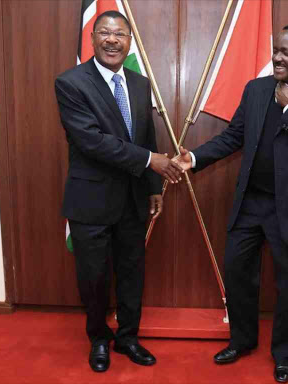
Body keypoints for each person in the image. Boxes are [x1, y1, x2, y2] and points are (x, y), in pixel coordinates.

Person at [174, 24, 288, 383]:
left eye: (287, 52)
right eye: (276, 50)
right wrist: (196, 158)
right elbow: (234, 136)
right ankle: (242, 341)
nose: (277, 58)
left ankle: (285, 355)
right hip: (251, 203)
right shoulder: (256, 89)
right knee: (237, 274)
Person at [55, 10, 183, 373]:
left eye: (120, 34)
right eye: (105, 33)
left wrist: (153, 185)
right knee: (93, 277)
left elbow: (145, 135)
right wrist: (152, 161)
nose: (113, 40)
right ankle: (98, 338)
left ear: (129, 41)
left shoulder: (140, 84)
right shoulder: (71, 83)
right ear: (92, 38)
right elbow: (92, 141)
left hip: (132, 199)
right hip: (90, 201)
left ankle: (128, 336)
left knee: (132, 271)